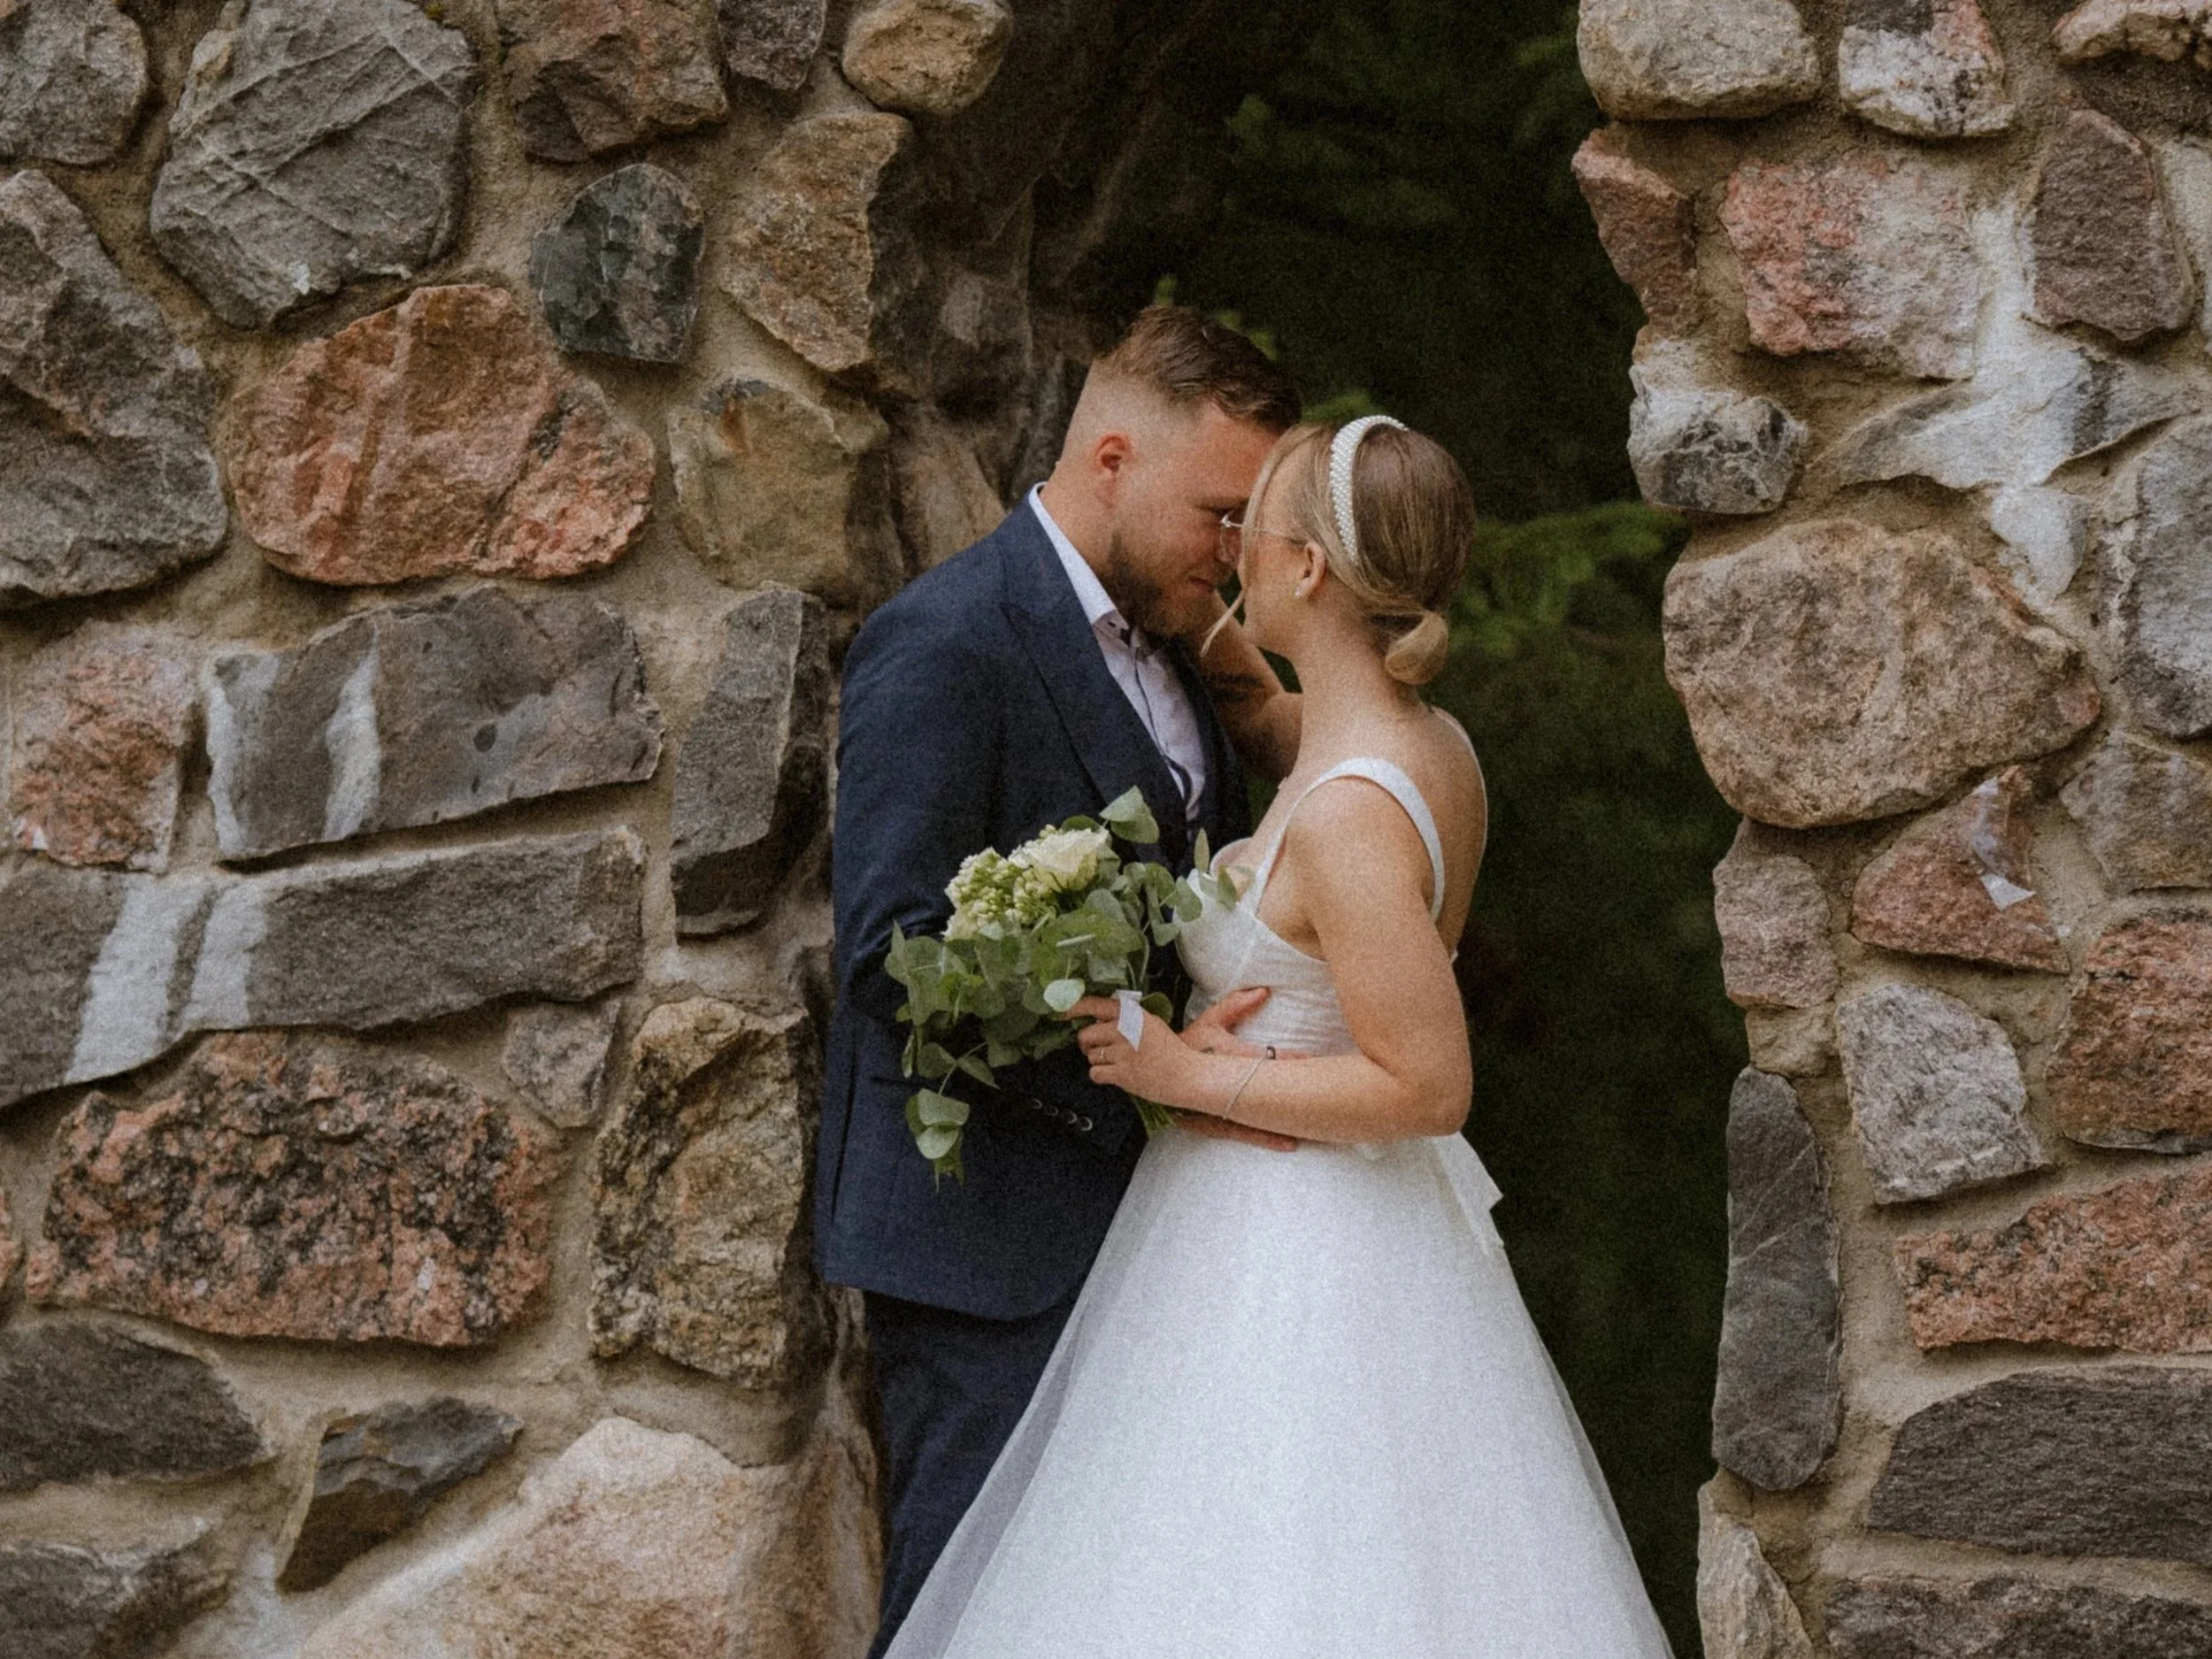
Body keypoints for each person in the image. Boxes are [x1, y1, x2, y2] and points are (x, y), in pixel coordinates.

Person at [878, 416, 1678, 1656]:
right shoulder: (1421, 746)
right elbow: (1290, 738)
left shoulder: (1354, 811)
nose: (1234, 540)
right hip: (1334, 1223)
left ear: (1306, 568)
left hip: (1296, 1252)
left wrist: (1191, 1066)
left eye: (1256, 522)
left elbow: (1430, 1081)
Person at [817, 306, 1306, 1658]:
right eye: (1217, 512)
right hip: (988, 1250)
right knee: (974, 1618)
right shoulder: (947, 639)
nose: (1234, 551)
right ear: (1109, 459)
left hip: (1160, 1242)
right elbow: (889, 951)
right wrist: (1140, 1070)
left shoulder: (1187, 648)